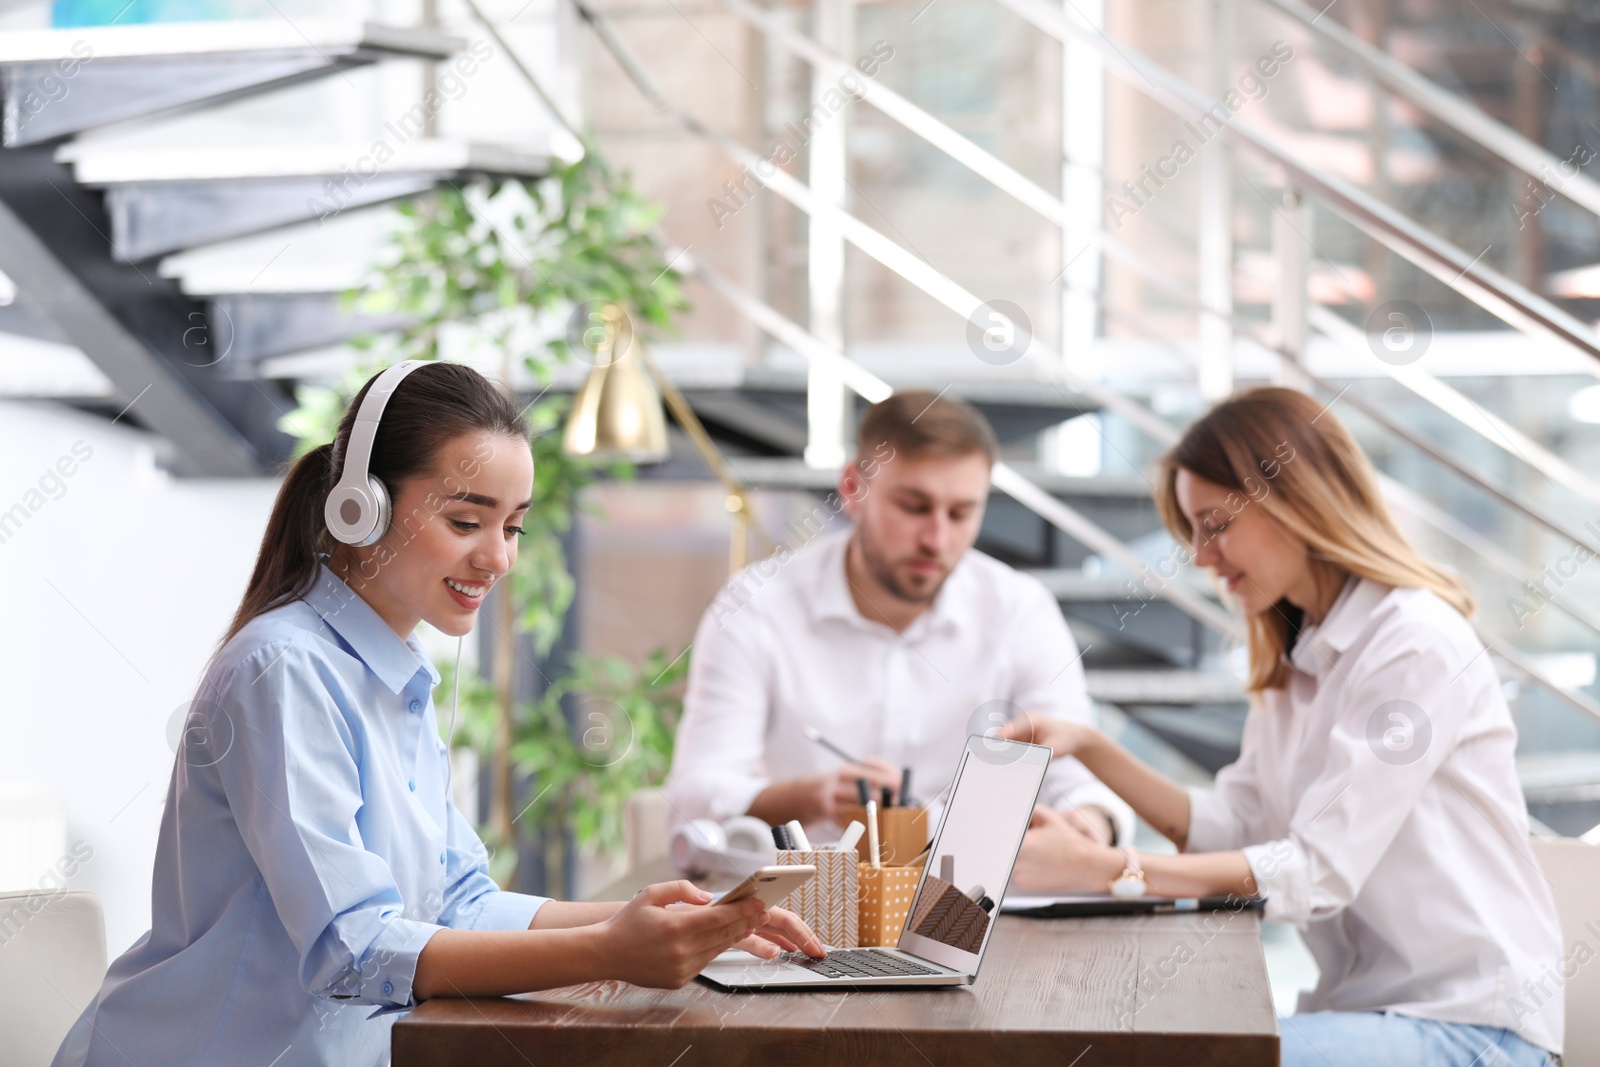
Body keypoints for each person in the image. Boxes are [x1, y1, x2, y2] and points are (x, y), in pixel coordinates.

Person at [54, 361, 822, 1067]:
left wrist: (667, 920)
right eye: (467, 521)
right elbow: (354, 952)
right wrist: (613, 950)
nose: (498, 556)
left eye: (513, 525)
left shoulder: (398, 678)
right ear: (361, 508)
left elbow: (462, 903)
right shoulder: (284, 668)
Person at [1000, 386, 1562, 1067]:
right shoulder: (1300, 654)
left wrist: (1111, 868)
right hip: (1369, 1012)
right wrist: (1088, 746)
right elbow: (1238, 821)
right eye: (1193, 532)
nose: (1202, 557)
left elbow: (1317, 870)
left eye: (1215, 524)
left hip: (1471, 1029)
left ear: (1295, 501)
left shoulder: (1415, 644)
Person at [666, 390, 1133, 849]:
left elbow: (1077, 778)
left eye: (962, 513)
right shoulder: (757, 605)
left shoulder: (1020, 610)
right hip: (801, 902)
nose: (937, 538)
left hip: (969, 904)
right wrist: (811, 798)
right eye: (914, 507)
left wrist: (1090, 825)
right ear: (853, 490)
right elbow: (695, 793)